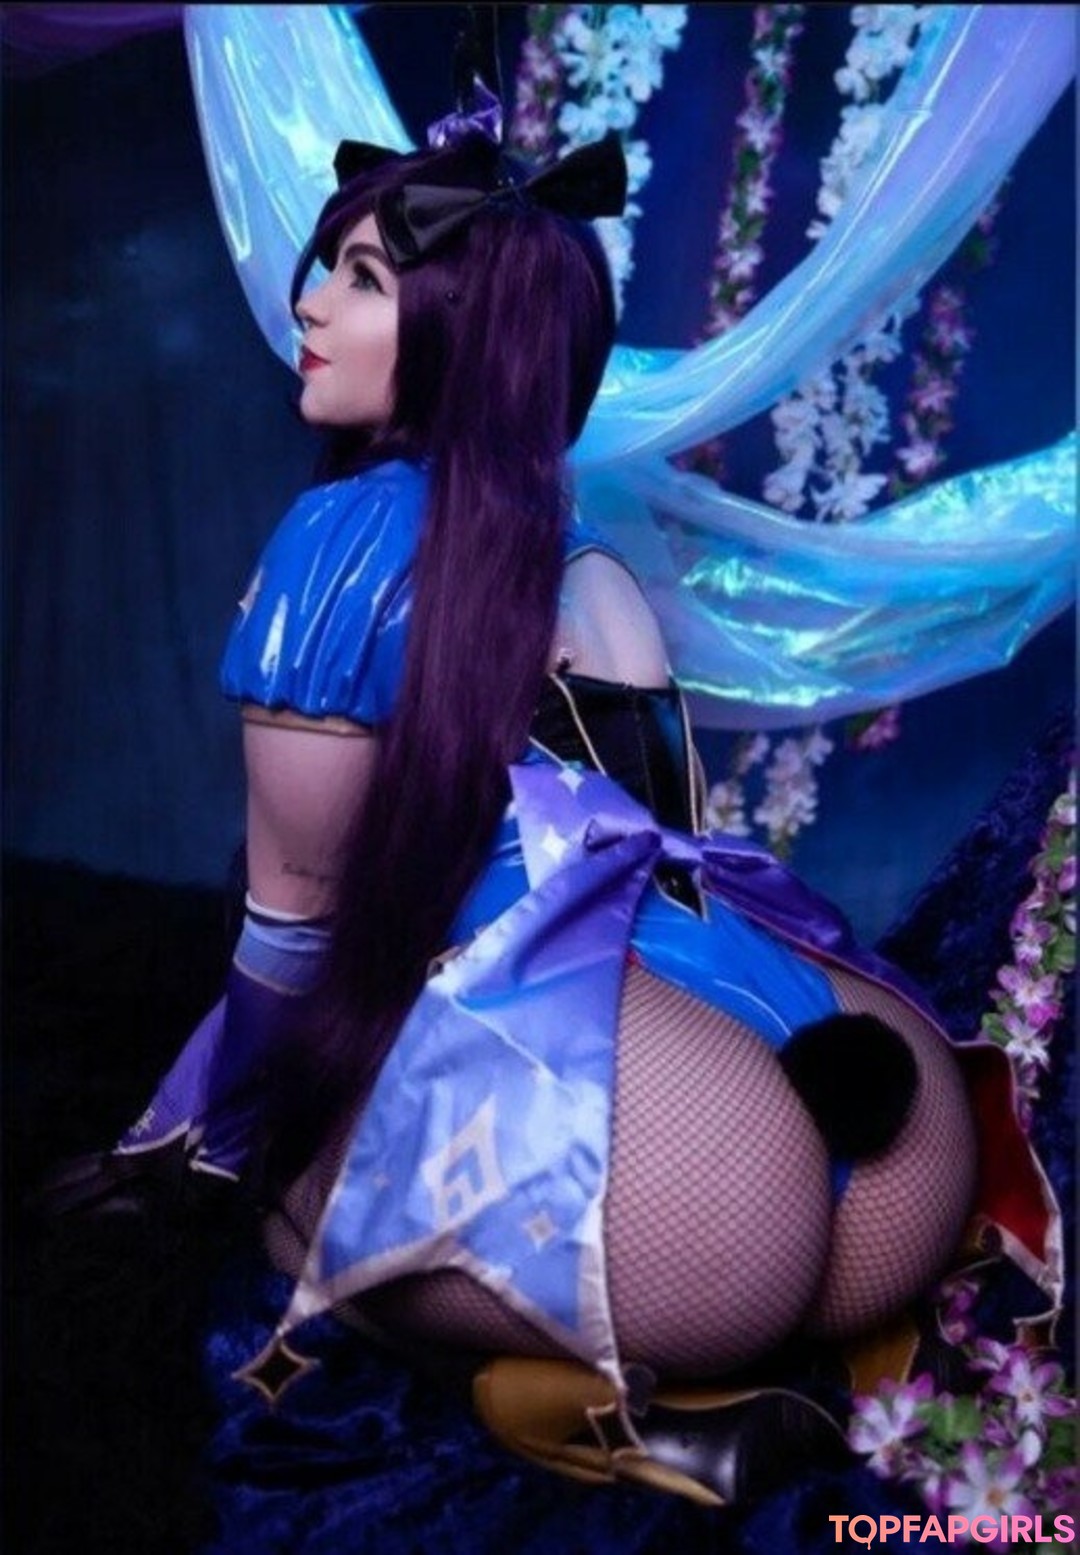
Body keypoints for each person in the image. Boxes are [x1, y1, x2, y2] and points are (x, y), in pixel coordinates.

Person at [41, 100, 1048, 1512]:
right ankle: (759, 1348)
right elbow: (665, 833)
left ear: (465, 339)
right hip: (851, 1099)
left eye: (361, 279)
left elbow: (294, 919)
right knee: (809, 1118)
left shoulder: (340, 547)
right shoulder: (583, 553)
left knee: (279, 1200)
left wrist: (215, 1135)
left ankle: (559, 1391)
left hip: (656, 1158)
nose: (309, 305)